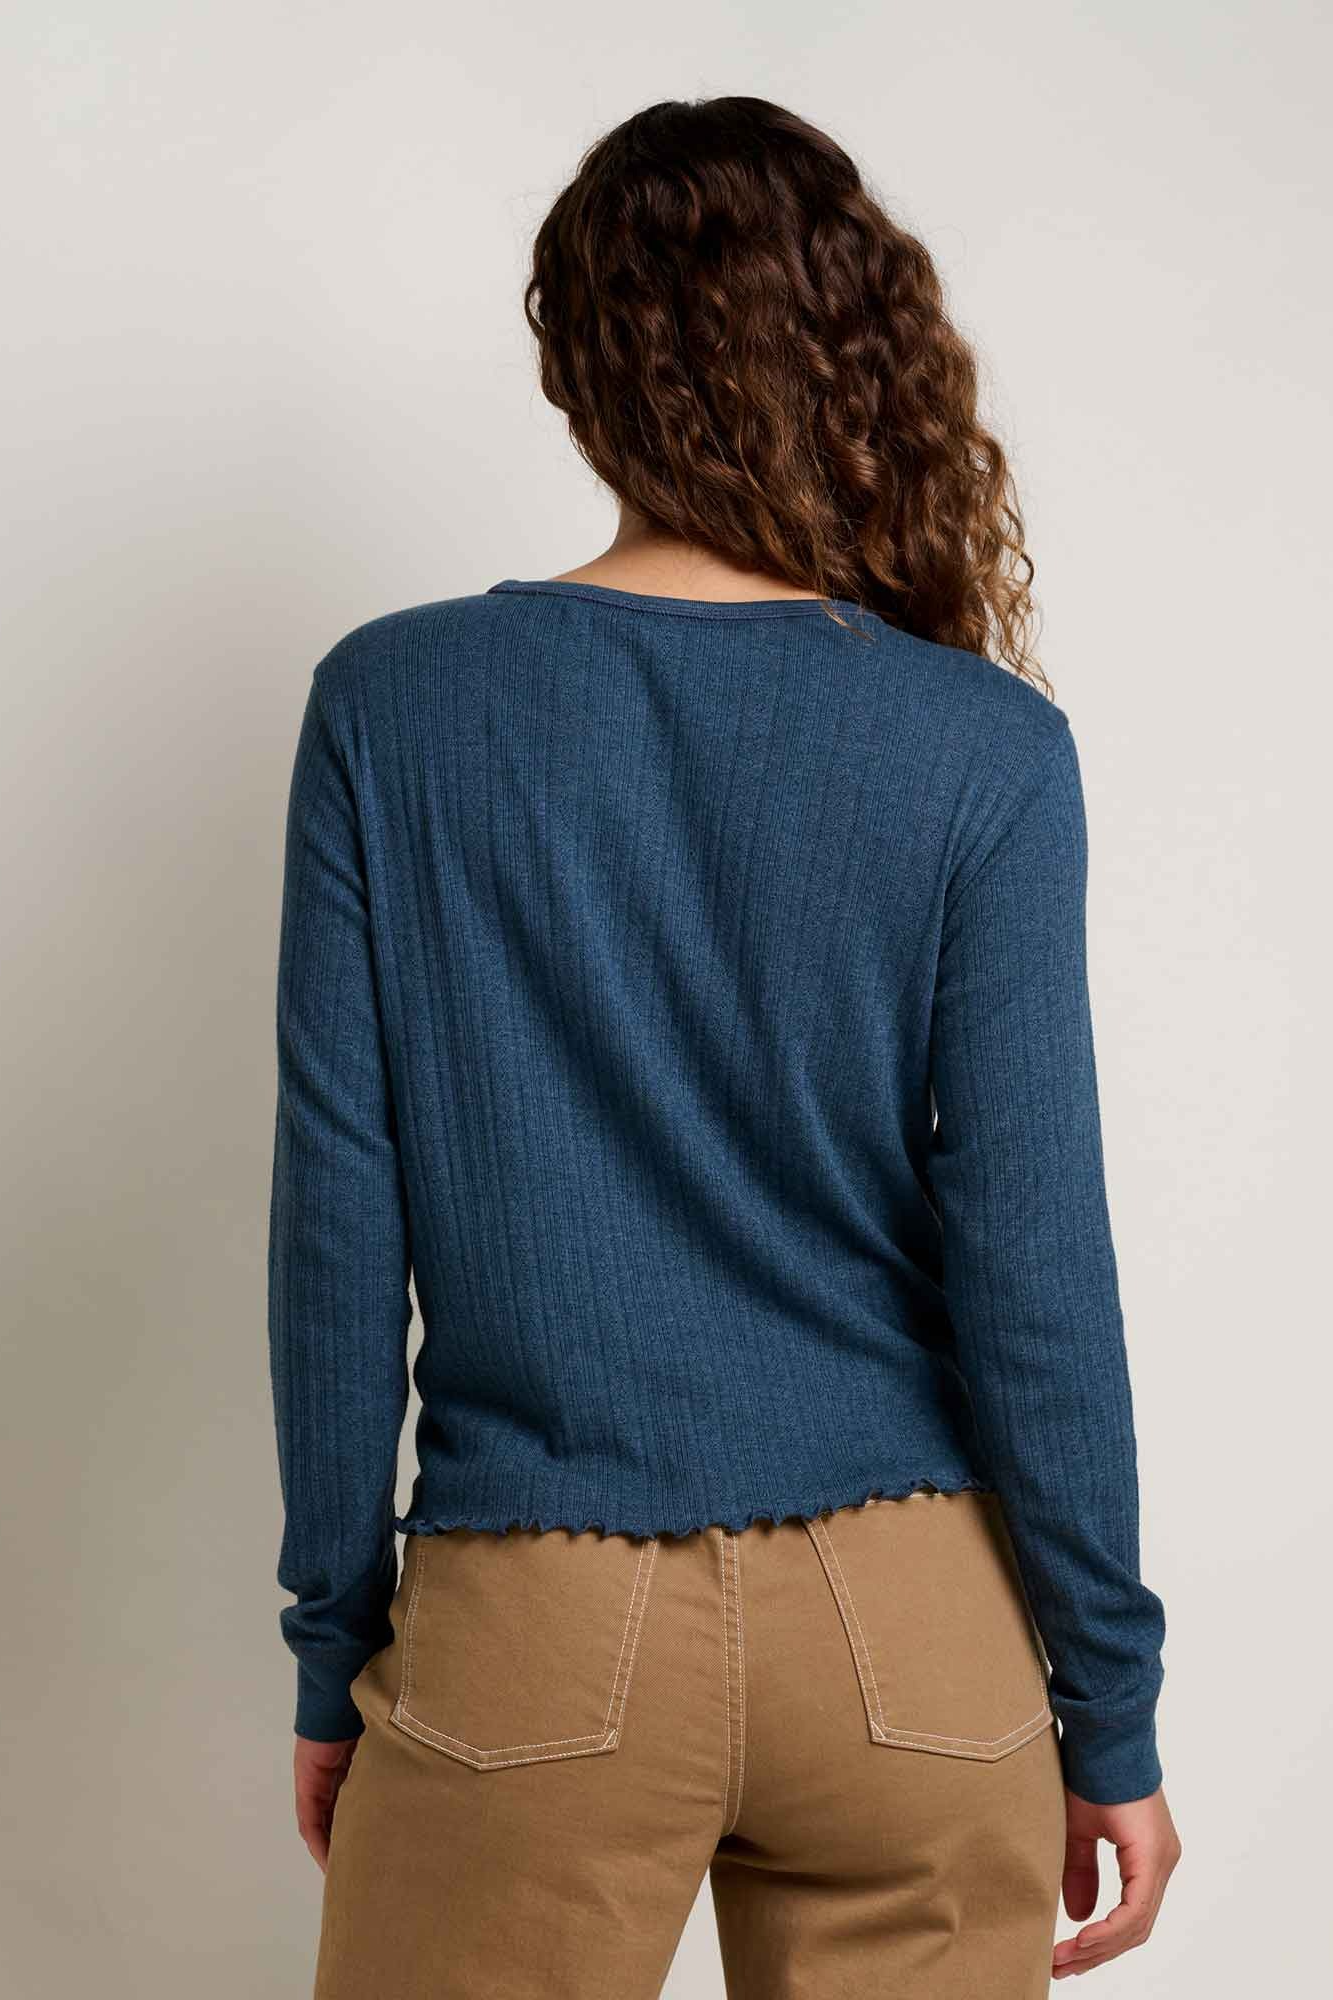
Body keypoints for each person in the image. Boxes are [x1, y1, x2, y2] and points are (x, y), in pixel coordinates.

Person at [267, 95, 1179, 1999]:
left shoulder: (394, 707)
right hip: (917, 1651)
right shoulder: (982, 747)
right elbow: (1036, 1259)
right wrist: (1108, 1703)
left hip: (538, 1625)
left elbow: (341, 1224)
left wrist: (334, 1645)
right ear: (851, 355)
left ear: (579, 369)